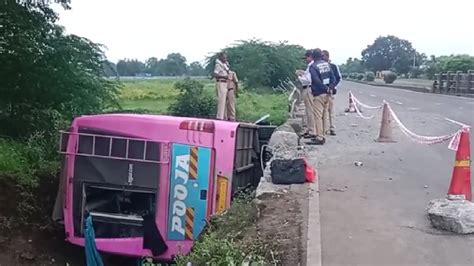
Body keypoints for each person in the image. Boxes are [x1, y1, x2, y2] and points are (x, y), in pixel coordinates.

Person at [308, 48, 336, 145]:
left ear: (313, 57)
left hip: (319, 94)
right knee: (324, 115)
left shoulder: (313, 67)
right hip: (328, 94)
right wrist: (330, 88)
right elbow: (333, 78)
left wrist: (325, 88)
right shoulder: (327, 64)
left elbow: (316, 81)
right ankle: (323, 134)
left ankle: (320, 137)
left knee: (318, 116)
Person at [296, 50, 316, 139]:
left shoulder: (311, 66)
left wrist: (299, 76)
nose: (306, 60)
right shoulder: (312, 66)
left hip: (308, 88)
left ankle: (312, 130)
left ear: (310, 57)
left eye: (306, 58)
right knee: (309, 111)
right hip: (309, 88)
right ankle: (309, 129)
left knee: (309, 111)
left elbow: (308, 80)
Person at [322, 50, 341, 136]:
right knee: (324, 111)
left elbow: (337, 78)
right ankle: (325, 128)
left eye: (323, 56)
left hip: (330, 91)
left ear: (327, 56)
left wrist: (332, 87)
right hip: (322, 91)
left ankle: (332, 127)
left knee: (330, 110)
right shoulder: (321, 66)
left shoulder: (333, 66)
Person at [213, 52, 230, 120]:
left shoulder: (225, 64)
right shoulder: (218, 65)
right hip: (221, 82)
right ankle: (219, 117)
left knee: (225, 101)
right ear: (220, 58)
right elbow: (215, 74)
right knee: (221, 100)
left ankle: (224, 116)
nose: (225, 59)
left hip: (225, 83)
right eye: (224, 57)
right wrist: (224, 76)